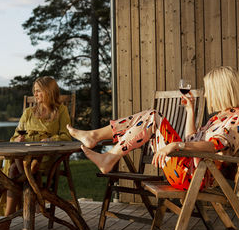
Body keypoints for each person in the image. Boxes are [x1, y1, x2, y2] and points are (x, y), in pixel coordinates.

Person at [67, 66, 239, 191]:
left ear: (221, 91)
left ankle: (104, 150)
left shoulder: (236, 119)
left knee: (153, 116)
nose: (207, 95)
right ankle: (100, 145)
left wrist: (176, 146)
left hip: (193, 176)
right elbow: (191, 139)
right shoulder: (219, 118)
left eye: (209, 90)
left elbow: (212, 146)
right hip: (186, 169)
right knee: (151, 117)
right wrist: (190, 111)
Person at [0, 76, 72, 230]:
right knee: (18, 165)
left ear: (49, 92)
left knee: (14, 171)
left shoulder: (60, 111)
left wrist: (50, 139)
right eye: (34, 91)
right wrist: (18, 139)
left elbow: (66, 136)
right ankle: (33, 185)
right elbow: (14, 136)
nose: (35, 94)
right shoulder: (28, 112)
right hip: (25, 154)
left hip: (46, 155)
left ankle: (7, 221)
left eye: (39, 91)